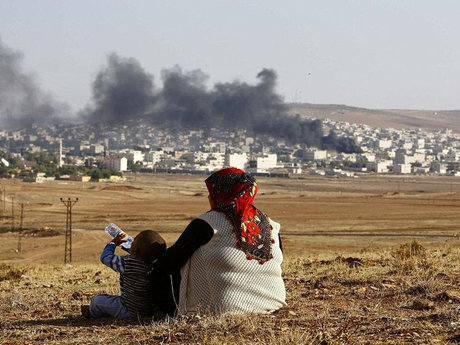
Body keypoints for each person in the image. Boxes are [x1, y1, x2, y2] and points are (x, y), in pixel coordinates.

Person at [149, 167, 286, 316]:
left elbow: (170, 262)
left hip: (221, 310)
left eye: (211, 193)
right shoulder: (271, 225)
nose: (209, 198)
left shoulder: (208, 223)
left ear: (221, 194)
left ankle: (163, 311)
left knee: (159, 273)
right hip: (273, 305)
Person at [82, 230, 166, 318]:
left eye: (133, 241)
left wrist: (113, 243)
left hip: (129, 310)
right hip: (150, 310)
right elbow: (140, 255)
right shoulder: (158, 265)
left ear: (136, 251)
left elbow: (105, 258)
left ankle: (91, 312)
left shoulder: (128, 263)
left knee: (97, 301)